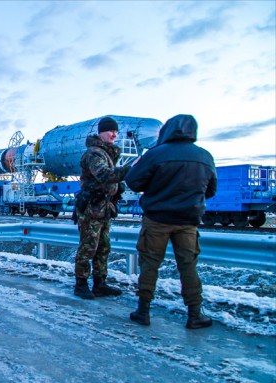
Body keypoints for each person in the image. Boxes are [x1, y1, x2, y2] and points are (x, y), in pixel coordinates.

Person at [125, 114, 216, 329]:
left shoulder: (156, 154)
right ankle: (195, 314)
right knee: (188, 267)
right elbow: (211, 190)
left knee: (150, 264)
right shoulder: (205, 156)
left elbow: (133, 181)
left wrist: (156, 188)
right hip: (188, 221)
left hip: (157, 219)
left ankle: (143, 311)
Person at [73, 117, 130, 299]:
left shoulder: (107, 154)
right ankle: (81, 284)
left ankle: (100, 283)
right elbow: (104, 175)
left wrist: (117, 188)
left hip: (104, 208)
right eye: (110, 131)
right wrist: (129, 171)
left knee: (103, 247)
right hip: (92, 208)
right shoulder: (94, 153)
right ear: (101, 132)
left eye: (116, 132)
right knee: (88, 247)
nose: (114, 135)